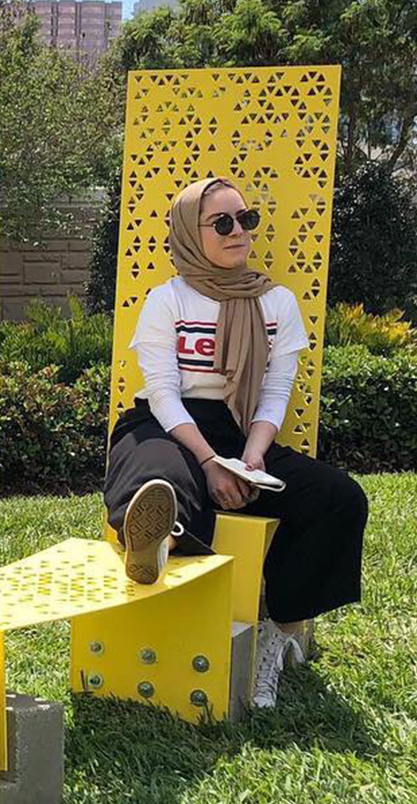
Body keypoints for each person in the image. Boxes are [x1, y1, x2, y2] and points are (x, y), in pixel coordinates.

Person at [104, 176, 367, 709]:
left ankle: (281, 629)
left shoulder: (276, 303)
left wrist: (250, 456)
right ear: (188, 233)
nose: (237, 231)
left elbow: (274, 392)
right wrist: (209, 462)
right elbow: (162, 394)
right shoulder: (167, 300)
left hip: (244, 429)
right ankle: (155, 539)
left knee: (338, 498)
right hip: (167, 424)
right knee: (161, 474)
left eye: (245, 219)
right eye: (221, 222)